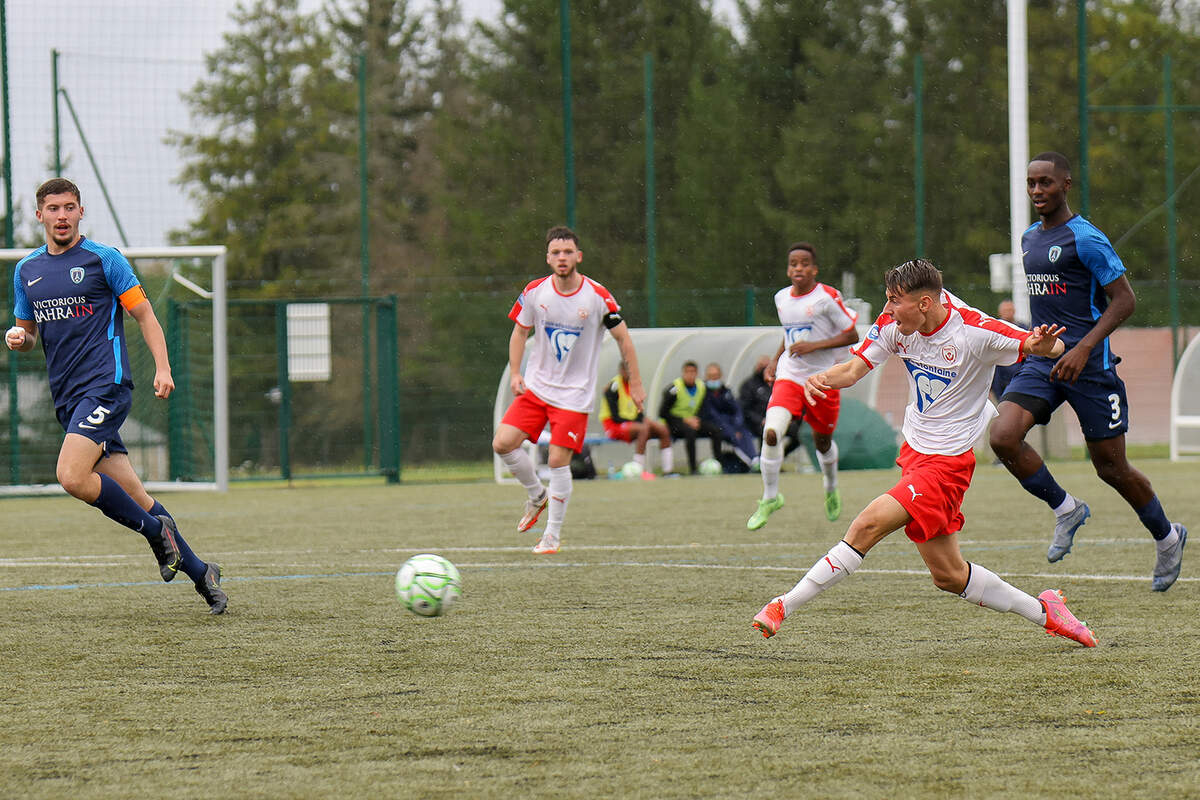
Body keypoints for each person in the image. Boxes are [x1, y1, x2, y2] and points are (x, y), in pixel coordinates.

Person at [752, 258, 1097, 647]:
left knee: (866, 525)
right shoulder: (894, 324)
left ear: (925, 303)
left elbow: (1043, 345)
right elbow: (851, 370)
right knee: (949, 576)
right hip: (915, 452)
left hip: (947, 464)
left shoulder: (973, 329)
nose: (886, 310)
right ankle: (1046, 610)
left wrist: (1045, 343)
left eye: (895, 301)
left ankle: (782, 604)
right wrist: (821, 378)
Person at [6, 178, 226, 614]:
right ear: (40, 215)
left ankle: (154, 534)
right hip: (69, 399)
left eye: (70, 207)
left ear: (81, 212)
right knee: (136, 495)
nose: (62, 215)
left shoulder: (104, 259)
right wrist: (18, 339)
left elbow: (144, 315)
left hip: (106, 386)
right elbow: (28, 335)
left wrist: (163, 368)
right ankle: (204, 574)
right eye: (53, 208)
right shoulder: (26, 271)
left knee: (71, 476)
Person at [989, 151, 1187, 591]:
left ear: (1066, 185)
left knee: (1111, 469)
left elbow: (1125, 300)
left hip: (1090, 368)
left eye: (1046, 183)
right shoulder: (1027, 240)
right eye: (1031, 183)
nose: (1038, 191)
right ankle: (1066, 509)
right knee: (1003, 436)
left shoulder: (1086, 238)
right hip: (1044, 361)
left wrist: (1084, 348)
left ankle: (1167, 536)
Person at [492, 225, 647, 554]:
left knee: (559, 461)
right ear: (548, 258)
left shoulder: (597, 296)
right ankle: (537, 495)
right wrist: (517, 373)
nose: (562, 258)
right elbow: (520, 333)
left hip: (573, 397)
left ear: (579, 256)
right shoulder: (535, 292)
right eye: (556, 252)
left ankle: (552, 535)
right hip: (536, 388)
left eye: (568, 252)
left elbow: (623, 339)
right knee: (503, 443)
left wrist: (635, 382)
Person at [747, 242, 859, 530]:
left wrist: (815, 346)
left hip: (824, 378)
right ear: (788, 269)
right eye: (793, 264)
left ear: (814, 269)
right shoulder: (781, 298)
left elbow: (851, 335)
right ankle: (770, 497)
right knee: (771, 432)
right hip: (790, 376)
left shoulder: (827, 298)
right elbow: (790, 335)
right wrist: (775, 360)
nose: (798, 268)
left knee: (822, 442)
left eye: (804, 263)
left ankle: (831, 486)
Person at [600, 359, 675, 478]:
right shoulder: (613, 387)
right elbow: (615, 417)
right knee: (643, 429)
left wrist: (645, 420)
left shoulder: (634, 385)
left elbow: (638, 412)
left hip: (632, 423)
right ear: (621, 371)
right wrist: (640, 422)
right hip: (613, 425)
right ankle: (638, 470)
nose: (629, 374)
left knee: (662, 430)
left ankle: (668, 471)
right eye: (626, 370)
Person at [660, 360, 723, 474]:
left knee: (716, 430)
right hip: (674, 423)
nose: (690, 375)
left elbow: (703, 408)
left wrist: (697, 419)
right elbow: (663, 413)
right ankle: (693, 469)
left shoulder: (701, 387)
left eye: (693, 372)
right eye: (687, 372)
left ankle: (718, 465)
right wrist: (685, 420)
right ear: (683, 373)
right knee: (690, 432)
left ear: (697, 373)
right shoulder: (674, 389)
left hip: (693, 421)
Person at [739, 355, 802, 457]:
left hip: (778, 418)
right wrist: (760, 420)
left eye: (766, 366)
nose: (764, 369)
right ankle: (762, 461)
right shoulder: (749, 385)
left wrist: (788, 417)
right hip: (756, 423)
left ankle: (780, 458)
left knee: (798, 435)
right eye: (761, 366)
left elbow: (788, 401)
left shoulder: (777, 383)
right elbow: (745, 408)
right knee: (767, 434)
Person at [699, 362, 758, 469]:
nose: (713, 379)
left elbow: (736, 410)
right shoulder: (703, 392)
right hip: (715, 426)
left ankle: (754, 458)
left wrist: (736, 424)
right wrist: (732, 430)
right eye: (711, 376)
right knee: (734, 436)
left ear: (720, 376)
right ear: (706, 377)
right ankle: (751, 463)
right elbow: (712, 415)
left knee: (745, 432)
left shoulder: (726, 391)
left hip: (732, 425)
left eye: (716, 376)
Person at [990, 300, 1022, 400]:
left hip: (1019, 376)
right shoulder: (993, 329)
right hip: (1000, 379)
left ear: (1014, 311)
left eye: (1010, 310)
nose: (1008, 312)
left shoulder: (1022, 329)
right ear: (1000, 312)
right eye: (1005, 310)